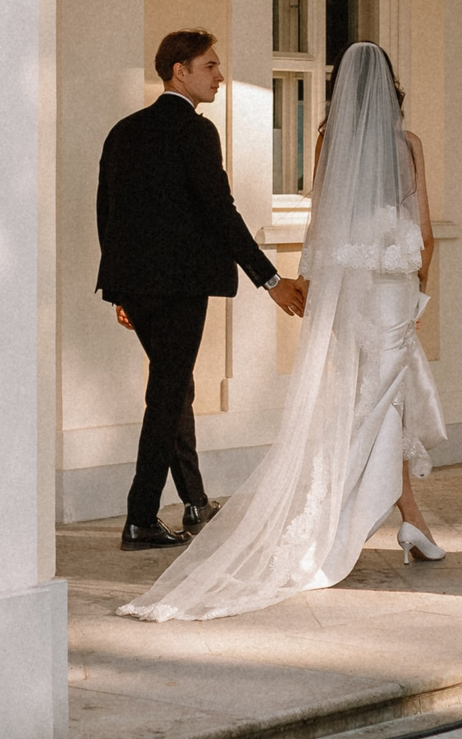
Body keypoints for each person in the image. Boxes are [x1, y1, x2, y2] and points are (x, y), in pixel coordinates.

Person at [120, 42, 449, 622]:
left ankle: (408, 519)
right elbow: (422, 232)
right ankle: (357, 521)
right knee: (378, 401)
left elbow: (322, 218)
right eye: (211, 65)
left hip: (348, 290)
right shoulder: (410, 145)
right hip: (395, 288)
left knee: (365, 398)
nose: (220, 74)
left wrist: (304, 280)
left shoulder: (328, 140)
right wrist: (421, 291)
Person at [97, 29, 306, 552]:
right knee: (167, 394)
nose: (219, 76)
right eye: (209, 66)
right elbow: (220, 213)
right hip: (179, 287)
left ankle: (193, 500)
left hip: (137, 286)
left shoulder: (123, 131)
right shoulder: (195, 131)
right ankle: (141, 517)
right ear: (179, 72)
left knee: (174, 387)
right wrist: (272, 280)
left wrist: (122, 289)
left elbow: (109, 215)